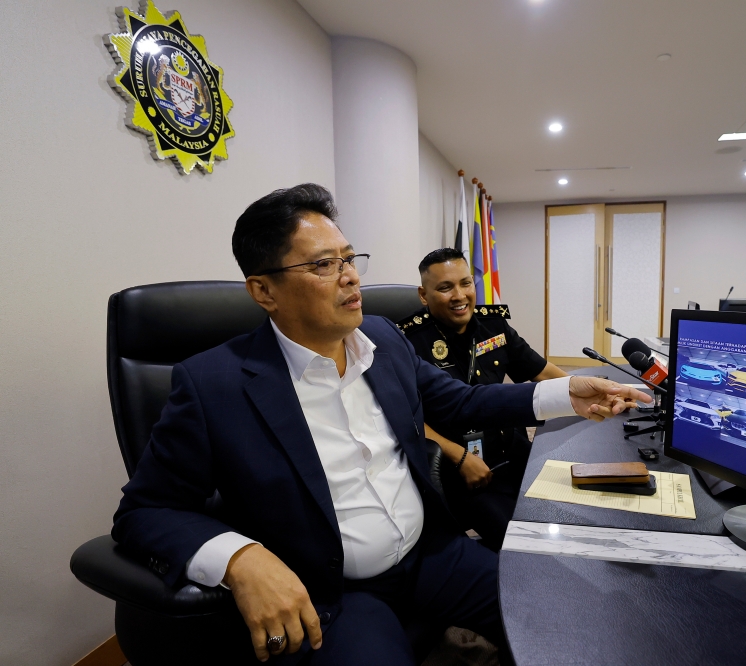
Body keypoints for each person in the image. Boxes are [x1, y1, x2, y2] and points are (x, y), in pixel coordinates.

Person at [111, 183, 649, 665]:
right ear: (264, 291)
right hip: (333, 592)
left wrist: (566, 391)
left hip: (431, 554)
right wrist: (240, 558)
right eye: (323, 265)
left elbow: (461, 404)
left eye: (349, 258)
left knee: (572, 614)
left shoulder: (384, 342)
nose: (350, 276)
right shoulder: (213, 384)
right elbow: (145, 510)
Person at [398, 248, 567, 552]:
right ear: (424, 295)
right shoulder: (408, 342)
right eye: (445, 287)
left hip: (514, 452)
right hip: (464, 471)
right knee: (522, 546)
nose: (460, 295)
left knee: (563, 514)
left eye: (465, 283)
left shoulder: (494, 326)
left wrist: (589, 390)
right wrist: (458, 457)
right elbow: (404, 416)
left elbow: (542, 372)